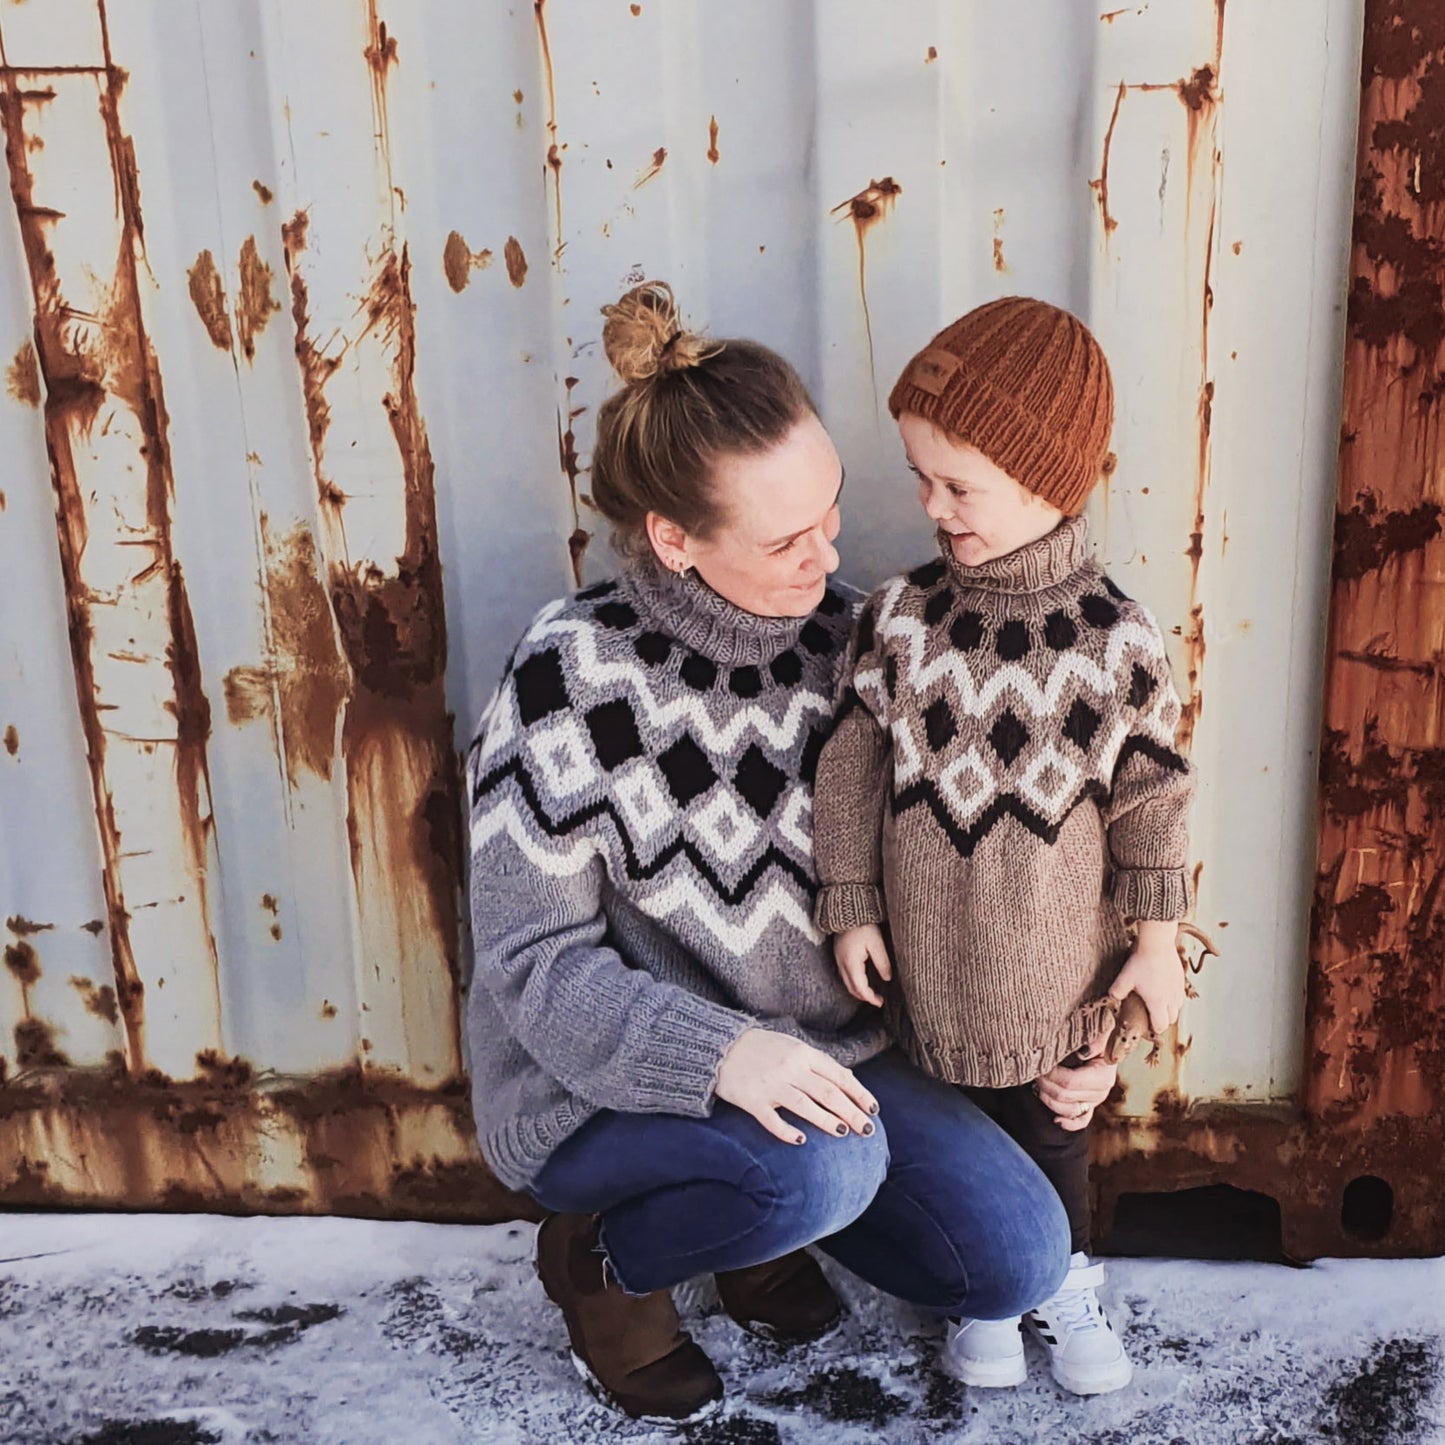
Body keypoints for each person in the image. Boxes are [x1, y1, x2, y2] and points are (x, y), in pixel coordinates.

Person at [465, 282, 1071, 1426]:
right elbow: (531, 962)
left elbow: (981, 852)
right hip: (598, 1082)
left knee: (1012, 1258)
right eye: (786, 537)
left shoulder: (862, 643)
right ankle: (600, 1262)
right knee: (819, 1171)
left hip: (827, 1056)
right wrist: (720, 1052)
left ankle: (756, 1226)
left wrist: (1075, 1010)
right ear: (671, 537)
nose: (826, 556)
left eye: (831, 513)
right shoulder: (570, 675)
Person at [812, 296, 1196, 1397]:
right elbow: (847, 765)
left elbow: (1151, 800)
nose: (927, 505)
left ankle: (1063, 1279)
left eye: (956, 484)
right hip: (931, 967)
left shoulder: (1112, 638)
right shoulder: (899, 619)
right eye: (919, 475)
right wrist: (848, 898)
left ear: (1049, 481)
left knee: (1054, 1126)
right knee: (963, 1133)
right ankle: (982, 1287)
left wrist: (1156, 941)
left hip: (1054, 971)